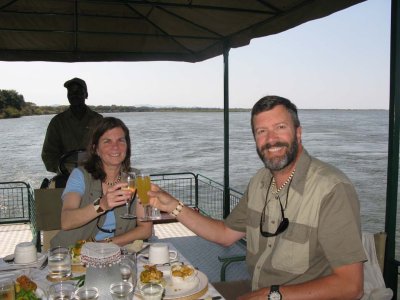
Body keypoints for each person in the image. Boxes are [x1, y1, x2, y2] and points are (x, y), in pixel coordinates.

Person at [148, 96, 367, 300]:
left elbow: (351, 285)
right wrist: (174, 206)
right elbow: (224, 234)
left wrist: (270, 295)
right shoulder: (260, 182)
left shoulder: (331, 189)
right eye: (261, 131)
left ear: (298, 133)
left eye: (280, 128)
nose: (271, 139)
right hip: (256, 288)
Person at [51, 117, 152, 248]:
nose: (115, 147)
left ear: (127, 147)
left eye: (121, 140)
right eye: (107, 141)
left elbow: (146, 229)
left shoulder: (138, 179)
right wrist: (102, 205)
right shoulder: (80, 175)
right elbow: (66, 221)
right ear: (95, 149)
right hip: (75, 254)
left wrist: (105, 244)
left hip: (119, 253)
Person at [41, 77, 103, 174]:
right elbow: (48, 154)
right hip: (66, 175)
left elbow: (108, 148)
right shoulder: (57, 122)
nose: (74, 96)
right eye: (71, 93)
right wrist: (63, 170)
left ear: (86, 94)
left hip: (94, 173)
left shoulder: (98, 120)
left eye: (78, 92)